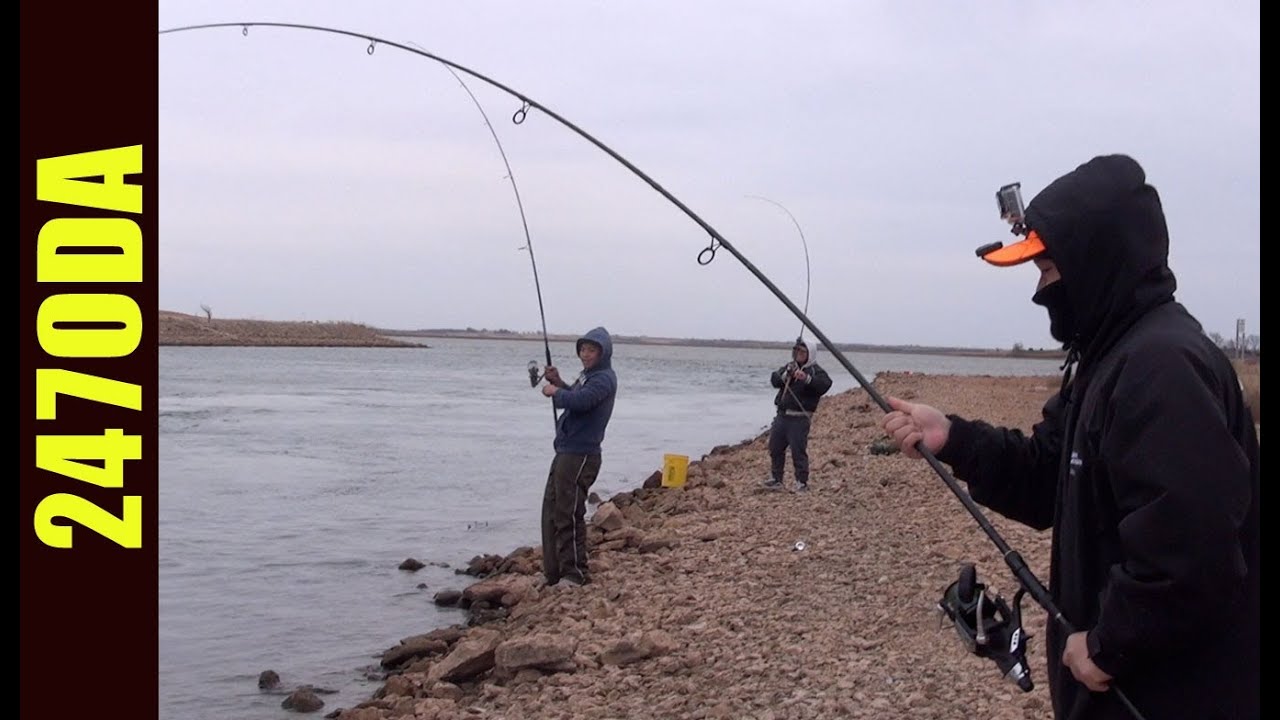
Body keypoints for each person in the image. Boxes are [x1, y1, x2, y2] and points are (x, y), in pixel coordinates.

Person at [880, 154, 1259, 720]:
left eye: (1049, 271)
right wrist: (954, 438)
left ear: (1097, 264)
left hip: (1173, 695)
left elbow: (1192, 545)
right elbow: (1046, 476)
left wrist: (1110, 645)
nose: (1040, 291)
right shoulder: (1108, 359)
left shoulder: (1161, 366)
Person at [539, 327, 617, 587]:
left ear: (603, 353)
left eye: (591, 350)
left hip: (581, 454)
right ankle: (554, 573)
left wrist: (555, 393)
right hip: (566, 451)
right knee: (551, 509)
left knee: (568, 512)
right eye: (583, 349)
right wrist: (560, 382)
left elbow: (582, 401)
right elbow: (576, 393)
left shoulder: (604, 378)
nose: (585, 354)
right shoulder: (589, 376)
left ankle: (575, 574)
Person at [764, 338, 833, 491]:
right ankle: (777, 479)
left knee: (798, 451)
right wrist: (785, 376)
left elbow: (825, 385)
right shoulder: (790, 367)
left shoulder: (816, 371)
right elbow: (774, 379)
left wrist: (806, 378)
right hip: (782, 416)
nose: (798, 354)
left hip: (800, 418)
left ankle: (801, 482)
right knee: (775, 447)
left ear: (810, 354)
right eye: (796, 351)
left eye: (802, 351)